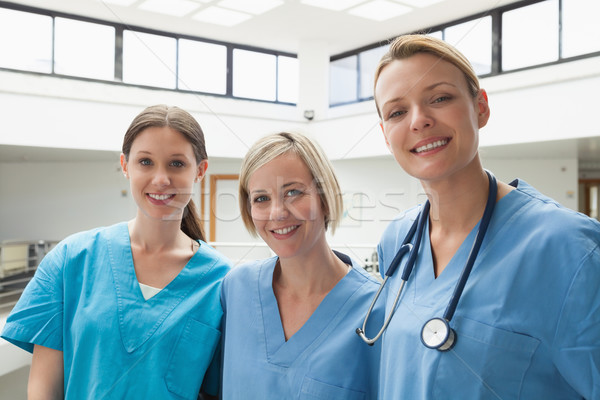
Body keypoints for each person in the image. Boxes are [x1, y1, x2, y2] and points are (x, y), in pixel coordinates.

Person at [367, 34, 600, 399]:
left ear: (481, 107)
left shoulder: (567, 247)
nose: (419, 120)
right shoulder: (398, 240)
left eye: (440, 98)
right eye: (397, 111)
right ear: (385, 134)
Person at [1, 105, 231, 399]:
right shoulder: (71, 260)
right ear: (125, 166)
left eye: (176, 164)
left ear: (200, 171)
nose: (161, 179)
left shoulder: (223, 283)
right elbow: (43, 391)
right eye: (145, 162)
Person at [220, 132, 382, 399]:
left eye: (293, 192)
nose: (277, 213)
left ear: (325, 197)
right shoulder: (236, 289)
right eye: (261, 198)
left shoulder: (376, 309)